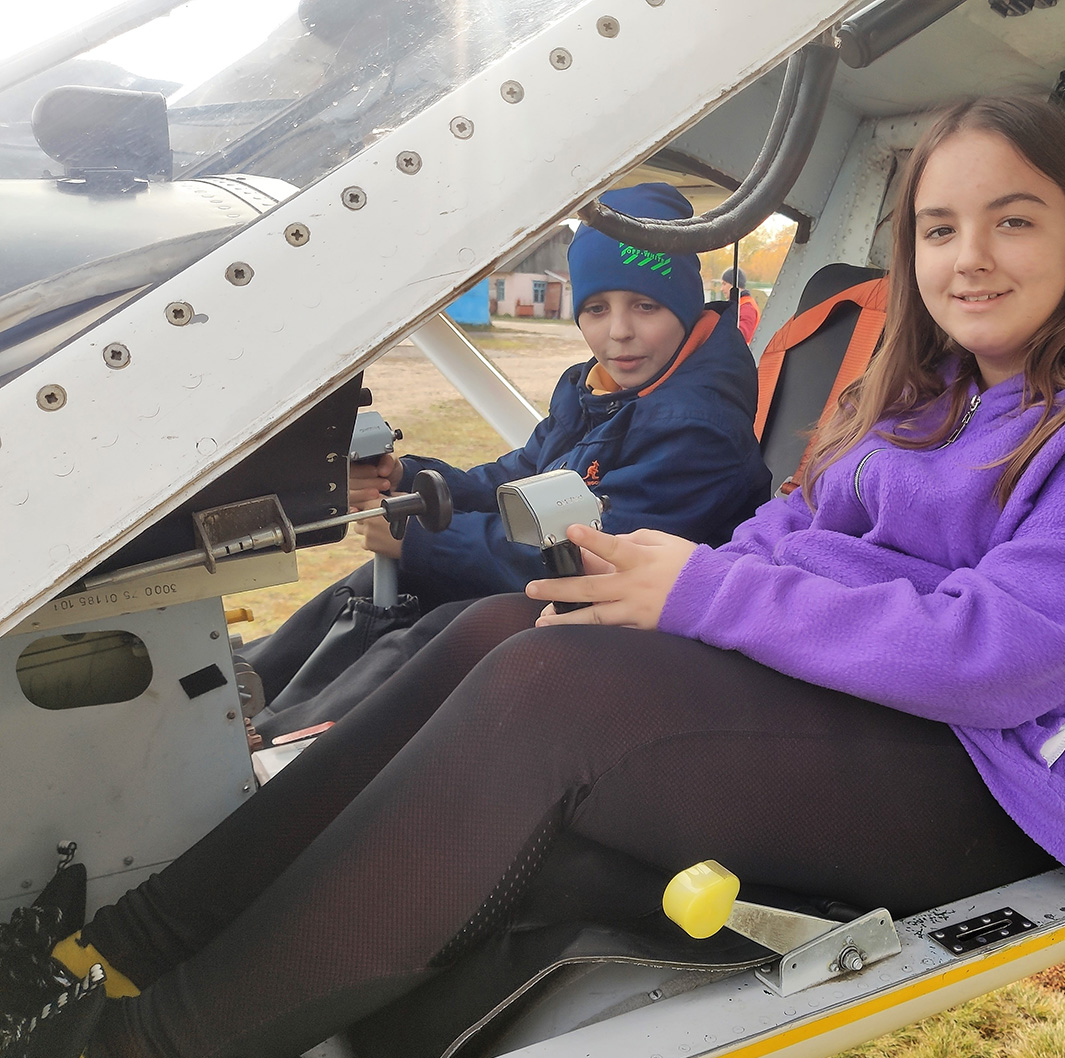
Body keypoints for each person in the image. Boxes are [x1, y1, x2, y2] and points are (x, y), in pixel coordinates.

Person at [0, 95, 1065, 1058]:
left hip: (1002, 781)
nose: (969, 257)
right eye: (939, 228)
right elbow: (793, 531)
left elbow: (1004, 657)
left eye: (1013, 221)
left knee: (554, 694)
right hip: (881, 709)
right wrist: (672, 586)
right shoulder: (935, 391)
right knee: (512, 627)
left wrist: (705, 591)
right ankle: (127, 947)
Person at [239, 182, 771, 739]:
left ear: (683, 304)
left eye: (645, 305)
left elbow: (591, 554)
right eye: (596, 308)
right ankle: (246, 696)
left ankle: (288, 747)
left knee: (462, 624)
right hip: (577, 602)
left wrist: (419, 541)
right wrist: (411, 483)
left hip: (646, 641)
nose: (618, 332)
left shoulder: (696, 429)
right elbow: (520, 477)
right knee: (368, 588)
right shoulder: (597, 390)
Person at [722, 266, 761, 342]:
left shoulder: (747, 307)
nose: (722, 288)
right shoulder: (742, 304)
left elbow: (740, 335)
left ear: (734, 285)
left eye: (724, 284)